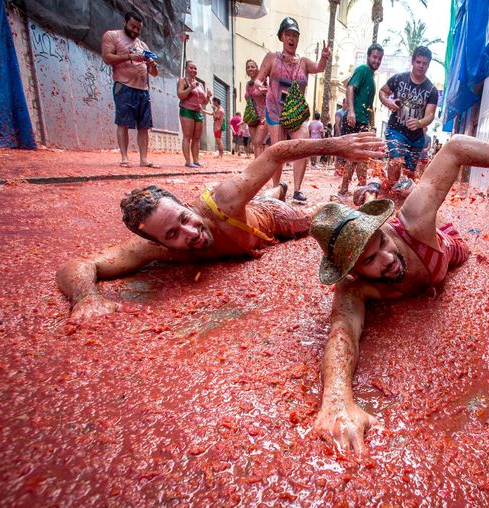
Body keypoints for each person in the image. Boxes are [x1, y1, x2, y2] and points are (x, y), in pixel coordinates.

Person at [308, 135, 489, 454]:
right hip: (423, 251)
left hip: (445, 243)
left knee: (439, 223)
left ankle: (402, 192)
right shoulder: (355, 287)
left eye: (381, 243)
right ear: (354, 272)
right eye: (370, 260)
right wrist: (337, 401)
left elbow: (455, 148)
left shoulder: (412, 222)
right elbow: (342, 333)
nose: (387, 258)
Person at [56, 133, 385, 324]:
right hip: (246, 217)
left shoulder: (222, 199)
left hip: (267, 218)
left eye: (185, 219)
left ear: (186, 205)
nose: (190, 233)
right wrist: (85, 298)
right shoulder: (150, 248)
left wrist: (337, 145)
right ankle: (275, 190)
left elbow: (275, 153)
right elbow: (78, 266)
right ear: (160, 243)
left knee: (312, 217)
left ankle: (294, 194)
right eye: (173, 235)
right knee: (265, 199)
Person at [255, 17, 330, 203]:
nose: (291, 38)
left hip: (296, 112)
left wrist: (324, 57)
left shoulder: (303, 62)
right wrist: (259, 86)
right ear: (281, 36)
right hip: (275, 111)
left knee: (301, 148)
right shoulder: (272, 57)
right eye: (288, 34)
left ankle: (297, 190)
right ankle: (276, 189)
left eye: (295, 35)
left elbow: (319, 68)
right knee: (279, 150)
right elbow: (258, 78)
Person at [101, 11, 159, 168]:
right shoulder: (113, 36)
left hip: (143, 89)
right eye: (133, 26)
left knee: (144, 127)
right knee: (123, 124)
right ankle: (125, 158)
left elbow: (153, 73)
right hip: (124, 86)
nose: (135, 30)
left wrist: (152, 65)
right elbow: (107, 57)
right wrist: (129, 56)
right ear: (125, 22)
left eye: (139, 28)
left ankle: (144, 159)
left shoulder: (142, 45)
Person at [379, 46, 437, 190]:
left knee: (409, 174)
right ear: (412, 61)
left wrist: (419, 123)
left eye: (424, 63)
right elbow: (382, 92)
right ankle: (389, 195)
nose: (421, 66)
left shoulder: (432, 90)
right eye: (418, 62)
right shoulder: (399, 78)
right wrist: (388, 102)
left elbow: (430, 115)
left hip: (416, 137)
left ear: (428, 65)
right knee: (396, 162)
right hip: (395, 130)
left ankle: (401, 202)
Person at [339, 43, 384, 195]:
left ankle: (349, 188)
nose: (377, 61)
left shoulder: (370, 76)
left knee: (358, 156)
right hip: (354, 119)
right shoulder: (363, 70)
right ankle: (360, 188)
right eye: (374, 57)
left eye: (379, 59)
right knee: (359, 156)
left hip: (362, 121)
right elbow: (350, 87)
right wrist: (351, 111)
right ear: (368, 56)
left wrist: (370, 125)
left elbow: (369, 105)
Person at [177, 60, 211, 168]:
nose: (193, 70)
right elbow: (180, 95)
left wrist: (208, 97)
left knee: (196, 138)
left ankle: (196, 161)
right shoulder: (182, 80)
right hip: (187, 110)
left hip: (198, 112)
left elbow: (204, 102)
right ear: (186, 69)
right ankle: (188, 161)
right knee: (187, 136)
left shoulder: (200, 84)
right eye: (191, 68)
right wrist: (190, 88)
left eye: (195, 68)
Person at [244, 59, 268, 159]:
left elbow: (271, 98)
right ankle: (259, 168)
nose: (250, 69)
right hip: (253, 117)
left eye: (252, 66)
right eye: (248, 67)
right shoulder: (248, 85)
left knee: (259, 142)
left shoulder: (264, 81)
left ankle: (261, 168)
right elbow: (249, 102)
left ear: (257, 68)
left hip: (263, 116)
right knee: (256, 144)